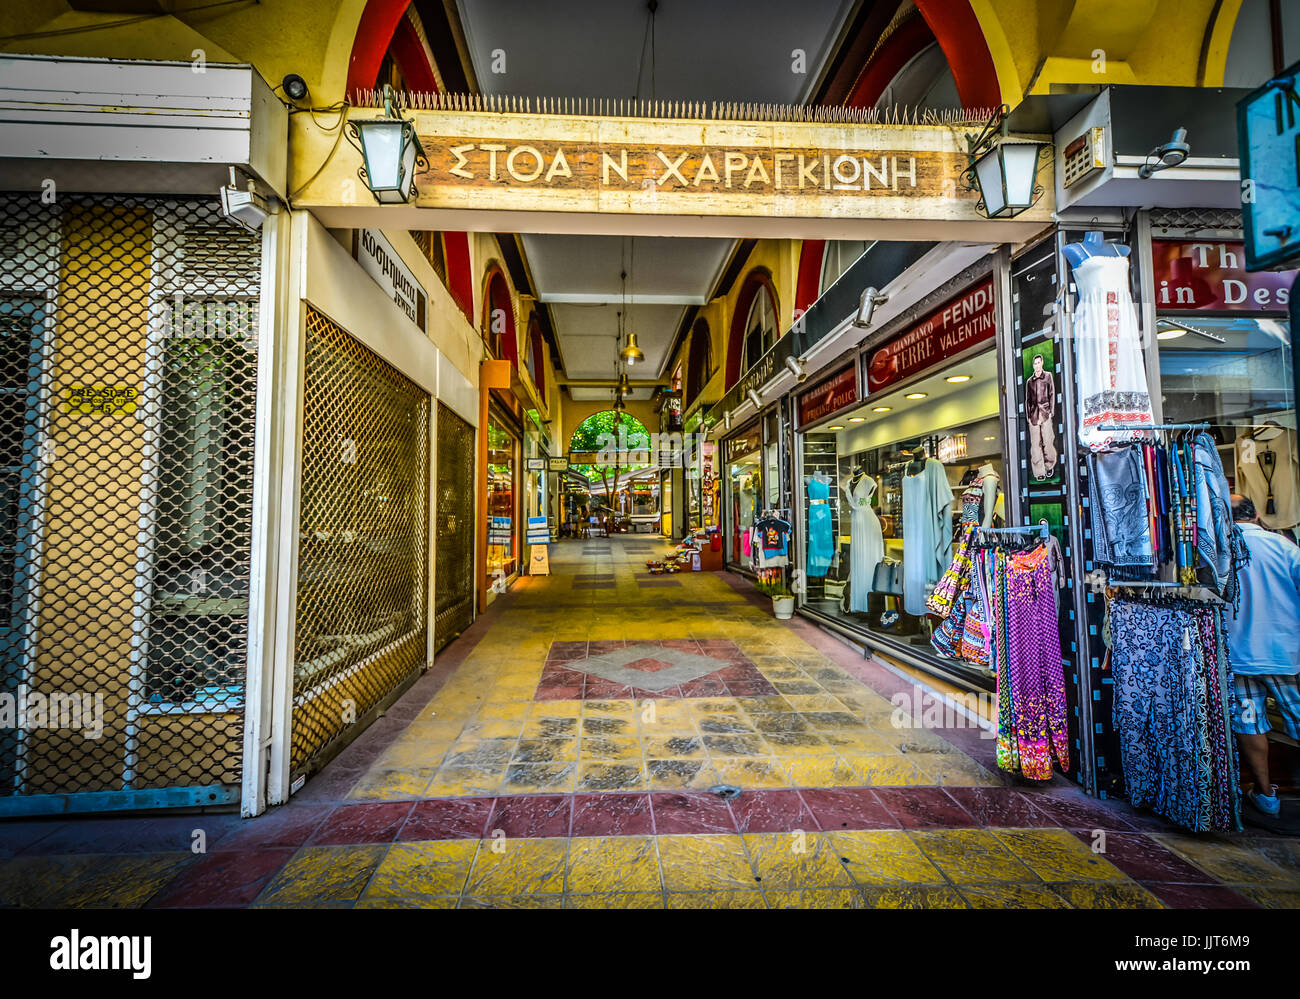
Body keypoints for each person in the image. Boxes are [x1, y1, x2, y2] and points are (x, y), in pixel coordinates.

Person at [1225, 494, 1300, 832]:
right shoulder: (1284, 547)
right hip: (1285, 653)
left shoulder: (1220, 550)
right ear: (1255, 513)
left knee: (1250, 724)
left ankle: (1266, 796)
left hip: (1239, 655)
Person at [1026, 352, 1057, 480]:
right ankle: (1039, 472)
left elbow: (1052, 393)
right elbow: (1028, 399)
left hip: (1045, 412)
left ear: (1042, 363)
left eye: (1039, 362)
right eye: (1035, 363)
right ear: (1033, 366)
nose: (1037, 365)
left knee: (1048, 441)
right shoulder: (1030, 381)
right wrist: (1028, 415)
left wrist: (1051, 412)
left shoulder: (1048, 376)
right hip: (1033, 415)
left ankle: (1049, 466)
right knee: (1035, 445)